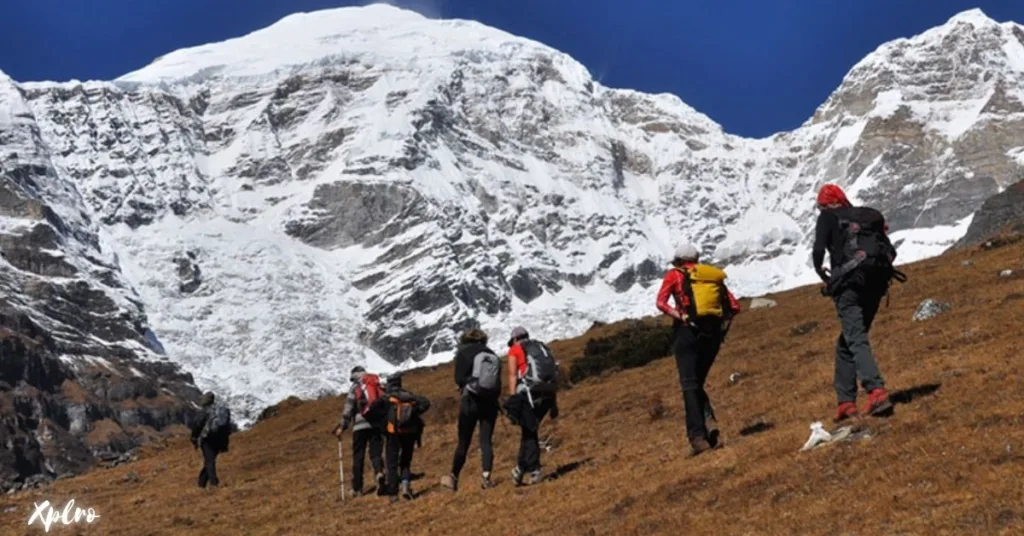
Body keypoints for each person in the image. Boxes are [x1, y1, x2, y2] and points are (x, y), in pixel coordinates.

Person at [813, 183, 901, 422]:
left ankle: (876, 391)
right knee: (847, 343)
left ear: (824, 205)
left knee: (856, 338)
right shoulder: (868, 216)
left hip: (849, 285)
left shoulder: (828, 218)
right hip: (877, 282)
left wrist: (827, 278)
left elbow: (818, 252)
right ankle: (846, 402)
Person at [655, 243, 741, 456]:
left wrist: (680, 315)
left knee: (689, 385)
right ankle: (710, 428)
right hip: (711, 336)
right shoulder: (710, 277)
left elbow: (661, 303)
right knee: (697, 383)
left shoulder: (674, 275)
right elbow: (734, 306)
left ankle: (698, 437)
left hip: (687, 333)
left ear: (678, 260)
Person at [441, 329, 501, 492]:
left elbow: (458, 379)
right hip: (490, 402)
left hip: (471, 401)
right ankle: (486, 477)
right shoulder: (492, 354)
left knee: (464, 441)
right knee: (486, 441)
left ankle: (453, 477)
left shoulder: (464, 353)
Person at [502, 326, 560, 486]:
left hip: (530, 395)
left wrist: (513, 399)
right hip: (547, 395)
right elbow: (550, 375)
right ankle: (520, 469)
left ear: (514, 339)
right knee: (529, 430)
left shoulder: (515, 349)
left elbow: (513, 374)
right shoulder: (541, 347)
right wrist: (554, 404)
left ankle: (534, 470)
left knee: (530, 431)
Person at [370, 372, 430, 503]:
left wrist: (381, 423)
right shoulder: (409, 396)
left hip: (392, 433)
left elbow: (371, 411)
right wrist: (414, 413)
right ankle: (406, 487)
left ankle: (393, 494)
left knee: (391, 463)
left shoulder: (387, 398)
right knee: (405, 461)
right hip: (410, 432)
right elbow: (426, 403)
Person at [333, 366, 385, 497]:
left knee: (358, 456)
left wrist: (342, 426)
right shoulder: (374, 383)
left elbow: (348, 408)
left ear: (354, 376)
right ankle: (379, 472)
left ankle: (357, 488)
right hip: (375, 424)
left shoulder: (355, 387)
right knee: (376, 453)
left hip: (359, 426)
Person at [190, 391, 232, 488]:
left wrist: (194, 438)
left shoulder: (205, 411)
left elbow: (197, 425)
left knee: (209, 461)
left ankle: (213, 483)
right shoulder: (220, 410)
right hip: (219, 439)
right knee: (210, 460)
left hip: (207, 438)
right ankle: (202, 482)